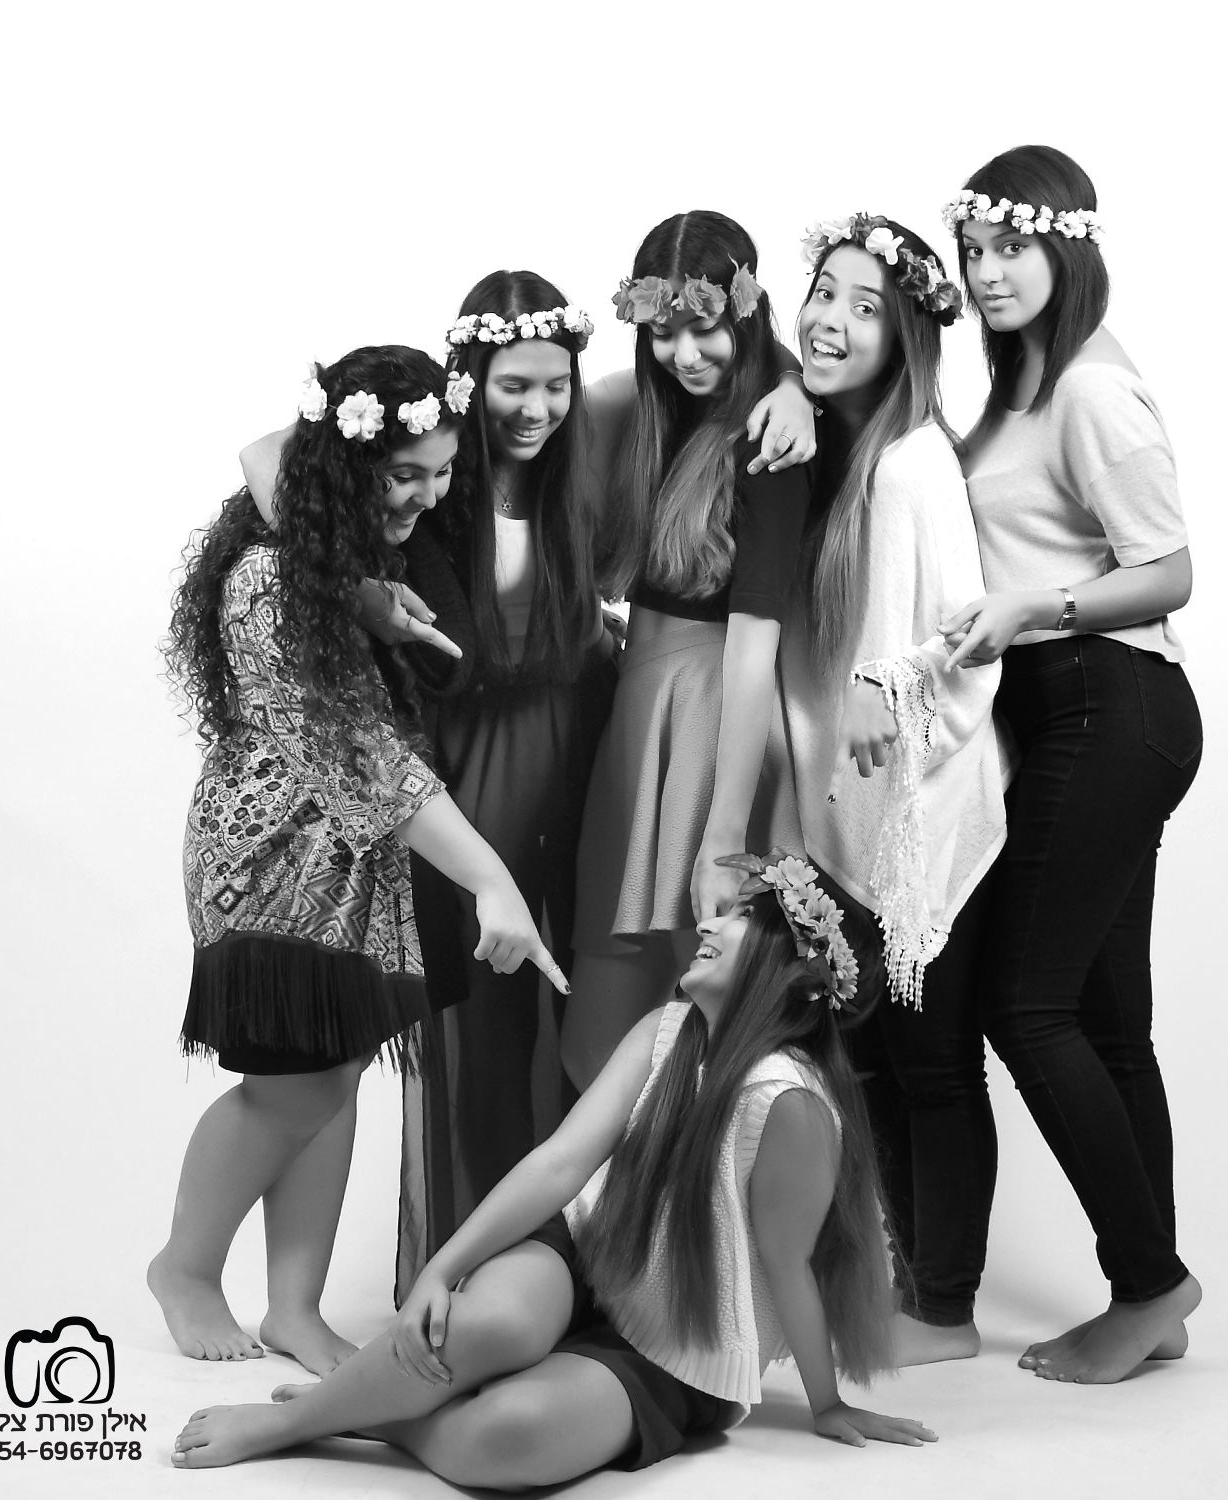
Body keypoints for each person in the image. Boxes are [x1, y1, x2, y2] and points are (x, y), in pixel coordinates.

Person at [240, 275, 814, 1288]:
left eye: (554, 384)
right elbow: (265, 456)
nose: (537, 408)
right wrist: (355, 587)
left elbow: (716, 372)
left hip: (583, 736)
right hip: (474, 753)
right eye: (513, 386)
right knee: (490, 1000)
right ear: (471, 381)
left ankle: (590, 1257)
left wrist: (798, 389)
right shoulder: (438, 464)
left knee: (585, 994)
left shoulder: (585, 431)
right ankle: (477, 1260)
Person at [170, 852, 937, 1483]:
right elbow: (559, 1163)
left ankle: (388, 1419)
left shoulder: (787, 1100)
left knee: (508, 1437)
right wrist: (440, 1269)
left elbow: (789, 1265)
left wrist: (825, 1403)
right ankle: (294, 1421)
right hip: (583, 1257)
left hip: (678, 1343)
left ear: (795, 971)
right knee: (488, 1323)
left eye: (738, 917)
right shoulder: (667, 1030)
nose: (707, 922)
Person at [150, 346, 566, 1376]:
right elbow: (357, 754)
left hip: (349, 861)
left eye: (442, 473)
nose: (427, 495)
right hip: (267, 860)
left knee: (332, 1080)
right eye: (403, 475)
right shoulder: (267, 578)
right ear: (346, 470)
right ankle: (185, 1269)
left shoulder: (344, 568)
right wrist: (490, 877)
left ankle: (293, 1308)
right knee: (287, 1090)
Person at [938, 145, 1202, 1383]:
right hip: (1065, 712)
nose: (987, 273)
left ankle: (1146, 1284)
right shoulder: (1018, 384)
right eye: (974, 251)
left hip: (1109, 702)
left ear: (1067, 248)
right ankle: (1153, 1294)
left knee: (1023, 1004)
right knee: (1107, 1022)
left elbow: (1169, 569)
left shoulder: (1091, 387)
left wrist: (1031, 608)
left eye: (1011, 248)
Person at [779, 213, 1008, 1364]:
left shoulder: (915, 461)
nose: (831, 319)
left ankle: (947, 1309)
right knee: (869, 1058)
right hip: (851, 815)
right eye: (825, 291)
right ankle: (907, 1281)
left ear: (906, 335)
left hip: (924, 809)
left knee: (932, 1064)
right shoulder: (834, 446)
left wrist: (885, 681)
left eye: (865, 307)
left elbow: (969, 641)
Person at [563, 211, 813, 1089]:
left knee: (708, 1014)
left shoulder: (770, 438)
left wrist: (722, 840)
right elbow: (538, 404)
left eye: (703, 328)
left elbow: (752, 650)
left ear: (745, 312)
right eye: (662, 333)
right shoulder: (650, 410)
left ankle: (709, 1176)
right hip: (643, 712)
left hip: (709, 717)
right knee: (603, 1031)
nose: (683, 354)